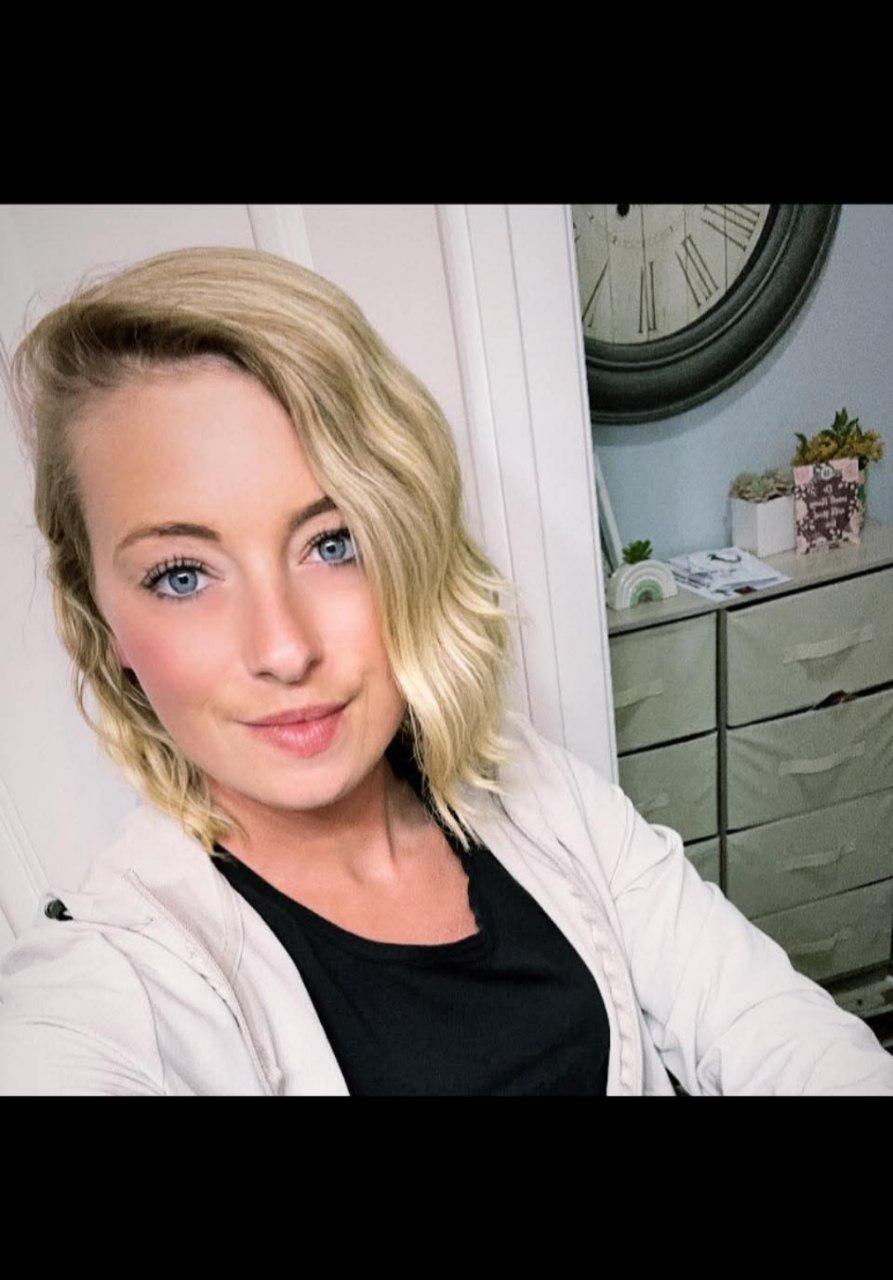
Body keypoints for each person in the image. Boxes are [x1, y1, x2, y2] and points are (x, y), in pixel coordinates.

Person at [0, 245, 890, 1096]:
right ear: (103, 623)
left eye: (334, 542)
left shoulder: (526, 783)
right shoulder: (113, 976)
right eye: (181, 576)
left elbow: (762, 1022)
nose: (283, 649)